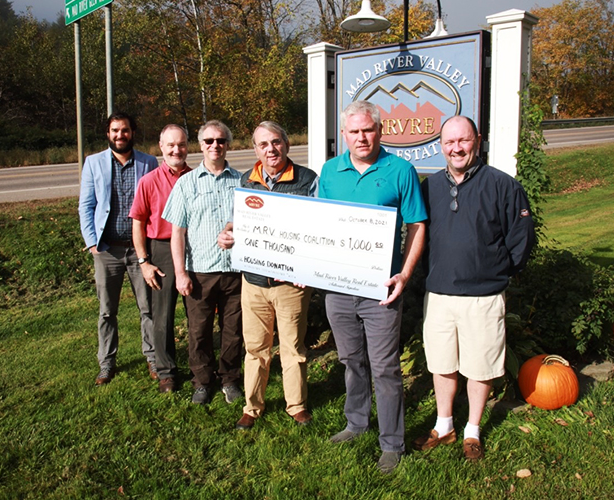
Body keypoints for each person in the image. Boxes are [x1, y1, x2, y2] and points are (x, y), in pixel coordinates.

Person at [415, 115, 535, 460]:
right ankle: (445, 425)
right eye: (449, 142)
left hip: (483, 296)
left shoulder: (502, 185)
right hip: (438, 294)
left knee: (480, 367)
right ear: (441, 146)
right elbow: (418, 236)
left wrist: (497, 272)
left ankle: (472, 431)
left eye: (463, 140)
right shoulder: (430, 187)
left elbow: (522, 239)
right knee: (442, 364)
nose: (456, 148)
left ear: (476, 141)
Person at [318, 100, 427, 473]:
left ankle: (392, 442)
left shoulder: (400, 170)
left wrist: (406, 274)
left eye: (368, 130)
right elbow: (320, 226)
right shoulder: (331, 171)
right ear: (344, 135)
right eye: (354, 131)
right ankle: (357, 422)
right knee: (350, 359)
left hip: (381, 288)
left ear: (379, 131)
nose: (361, 137)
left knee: (384, 367)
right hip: (338, 287)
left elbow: (417, 225)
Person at [216, 121, 318, 430]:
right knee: (255, 349)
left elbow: (317, 228)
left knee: (293, 349)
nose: (270, 149)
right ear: (256, 149)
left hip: (291, 284)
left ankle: (296, 405)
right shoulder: (248, 180)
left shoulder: (307, 180)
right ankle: (252, 407)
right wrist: (227, 233)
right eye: (263, 144)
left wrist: (307, 267)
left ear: (286, 144)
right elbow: (238, 222)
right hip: (254, 282)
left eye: (276, 142)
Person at [162, 120, 244, 405]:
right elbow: (178, 233)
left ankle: (230, 379)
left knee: (233, 331)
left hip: (235, 270)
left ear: (228, 144)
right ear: (201, 145)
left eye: (220, 140)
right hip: (200, 272)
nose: (215, 146)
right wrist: (181, 273)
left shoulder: (243, 181)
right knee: (199, 332)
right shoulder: (186, 183)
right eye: (209, 141)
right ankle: (202, 381)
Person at [79, 111, 159, 385]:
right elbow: (86, 205)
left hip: (140, 251)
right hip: (107, 250)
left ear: (132, 132)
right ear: (108, 133)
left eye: (124, 130)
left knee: (148, 308)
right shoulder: (93, 163)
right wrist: (92, 243)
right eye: (114, 130)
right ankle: (106, 363)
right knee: (106, 311)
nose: (119, 135)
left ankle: (153, 358)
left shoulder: (148, 163)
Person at [129, 124, 192, 393]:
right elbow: (138, 223)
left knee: (197, 313)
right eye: (170, 145)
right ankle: (166, 371)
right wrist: (144, 262)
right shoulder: (149, 181)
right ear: (161, 146)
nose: (176, 150)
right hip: (162, 249)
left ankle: (202, 366)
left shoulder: (197, 177)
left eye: (181, 144)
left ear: (188, 146)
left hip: (195, 248)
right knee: (162, 314)